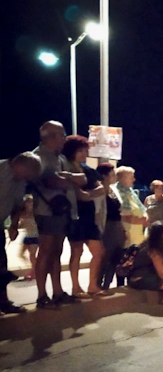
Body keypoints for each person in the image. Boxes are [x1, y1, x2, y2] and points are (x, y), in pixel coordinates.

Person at [31, 121, 87, 309]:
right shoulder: (38, 157)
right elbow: (53, 182)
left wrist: (65, 177)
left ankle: (58, 292)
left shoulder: (59, 157)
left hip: (62, 211)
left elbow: (82, 179)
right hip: (47, 211)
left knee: (57, 252)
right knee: (46, 252)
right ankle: (42, 296)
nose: (64, 139)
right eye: (62, 135)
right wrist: (69, 178)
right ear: (52, 136)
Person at [63, 135, 105, 297]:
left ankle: (92, 286)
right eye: (80, 151)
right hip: (74, 214)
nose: (84, 154)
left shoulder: (88, 170)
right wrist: (88, 194)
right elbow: (79, 195)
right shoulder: (66, 168)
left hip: (88, 214)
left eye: (85, 150)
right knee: (76, 251)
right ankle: (76, 287)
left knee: (98, 251)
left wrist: (89, 194)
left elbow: (101, 189)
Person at [0, 153, 42, 313]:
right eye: (28, 174)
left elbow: (17, 204)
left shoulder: (20, 180)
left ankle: (3, 302)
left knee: (1, 265)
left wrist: (14, 225)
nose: (28, 179)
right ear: (21, 166)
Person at [127, 221, 163, 306]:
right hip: (140, 280)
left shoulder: (151, 245)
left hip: (142, 278)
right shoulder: (153, 250)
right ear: (162, 234)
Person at [97, 164, 126, 291]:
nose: (115, 177)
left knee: (116, 257)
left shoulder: (113, 190)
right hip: (107, 227)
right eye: (112, 174)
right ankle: (98, 285)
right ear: (104, 176)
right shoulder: (99, 190)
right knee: (105, 258)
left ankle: (106, 286)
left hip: (117, 226)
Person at [114, 166, 147, 248]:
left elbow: (141, 207)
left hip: (137, 234)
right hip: (127, 236)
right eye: (131, 177)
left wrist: (145, 217)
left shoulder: (130, 191)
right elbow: (124, 216)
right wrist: (141, 220)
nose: (134, 179)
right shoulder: (117, 193)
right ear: (122, 178)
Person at [17, 196, 39, 280]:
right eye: (28, 202)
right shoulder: (23, 214)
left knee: (32, 255)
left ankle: (34, 272)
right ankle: (33, 269)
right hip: (27, 236)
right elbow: (21, 225)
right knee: (21, 254)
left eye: (31, 202)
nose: (29, 204)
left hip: (35, 236)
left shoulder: (36, 214)